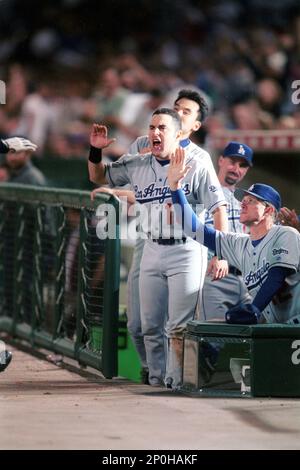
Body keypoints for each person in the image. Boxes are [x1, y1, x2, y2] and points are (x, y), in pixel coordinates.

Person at [91, 89, 227, 384]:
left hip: (187, 246)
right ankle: (154, 379)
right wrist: (95, 153)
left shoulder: (198, 160)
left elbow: (219, 207)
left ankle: (176, 383)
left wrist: (220, 252)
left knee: (177, 327)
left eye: (163, 127)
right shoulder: (143, 152)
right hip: (150, 242)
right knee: (147, 326)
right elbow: (102, 176)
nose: (155, 132)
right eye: (152, 126)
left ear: (183, 131)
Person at [168, 148, 300, 325]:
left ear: (268, 210)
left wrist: (254, 309)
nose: (243, 204)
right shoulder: (239, 243)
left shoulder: (285, 233)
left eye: (251, 201)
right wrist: (175, 188)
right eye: (243, 200)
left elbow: (276, 277)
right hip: (277, 326)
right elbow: (193, 229)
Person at [201, 141, 254, 320]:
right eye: (232, 162)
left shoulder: (245, 200)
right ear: (221, 160)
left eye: (242, 165)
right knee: (212, 340)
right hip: (214, 276)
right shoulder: (202, 190)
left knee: (248, 340)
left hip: (246, 279)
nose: (236, 169)